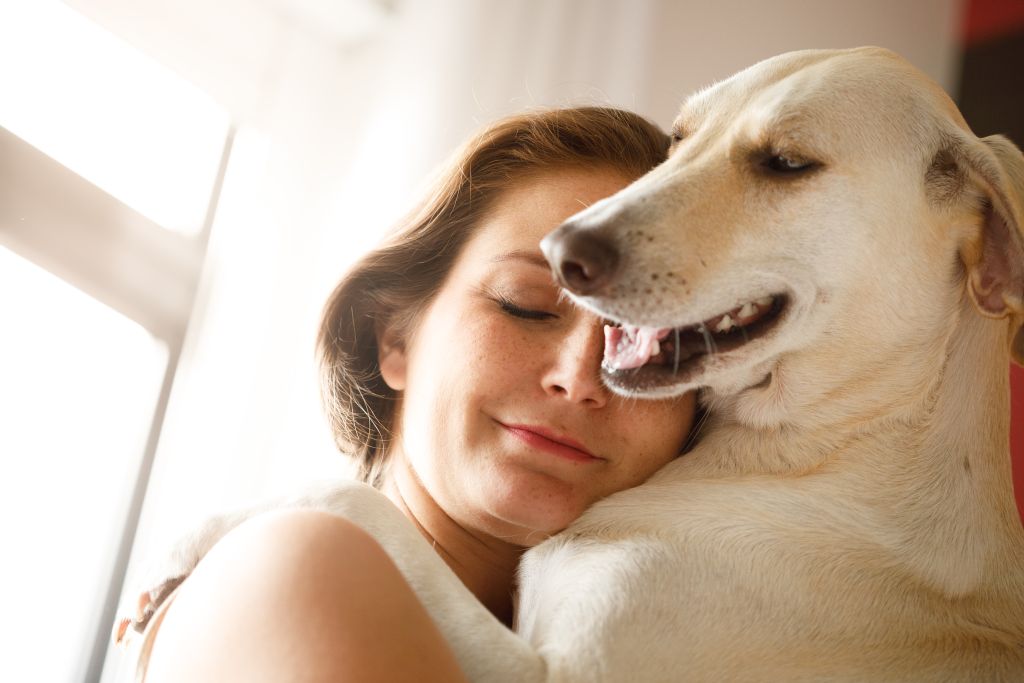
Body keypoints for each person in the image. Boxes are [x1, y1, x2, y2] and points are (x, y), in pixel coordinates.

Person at [138, 107, 698, 682]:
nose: (579, 378)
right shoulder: (308, 562)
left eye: (660, 347)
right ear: (394, 337)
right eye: (522, 304)